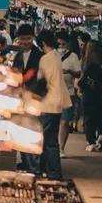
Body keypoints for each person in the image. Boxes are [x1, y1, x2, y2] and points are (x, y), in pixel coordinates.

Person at [34, 30, 71, 180]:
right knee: (51, 139)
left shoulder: (45, 59)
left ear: (42, 43)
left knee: (48, 141)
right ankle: (50, 171)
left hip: (48, 103)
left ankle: (53, 173)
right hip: (56, 103)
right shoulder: (56, 56)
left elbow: (41, 80)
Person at [77, 41, 102, 151]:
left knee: (88, 117)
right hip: (101, 93)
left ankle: (90, 142)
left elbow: (82, 78)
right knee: (100, 115)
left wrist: (80, 90)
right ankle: (100, 134)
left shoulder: (84, 61)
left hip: (88, 93)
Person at [56, 32, 81, 156]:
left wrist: (69, 71)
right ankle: (54, 146)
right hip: (53, 93)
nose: (61, 47)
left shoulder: (73, 57)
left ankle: (61, 147)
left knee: (65, 121)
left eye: (63, 44)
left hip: (68, 92)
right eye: (59, 44)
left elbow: (78, 74)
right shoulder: (51, 55)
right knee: (54, 121)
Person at [13, 23, 43, 92]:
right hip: (20, 93)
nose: (26, 42)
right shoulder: (18, 56)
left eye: (29, 38)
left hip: (36, 95)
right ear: (18, 39)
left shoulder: (40, 55)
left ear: (33, 37)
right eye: (23, 39)